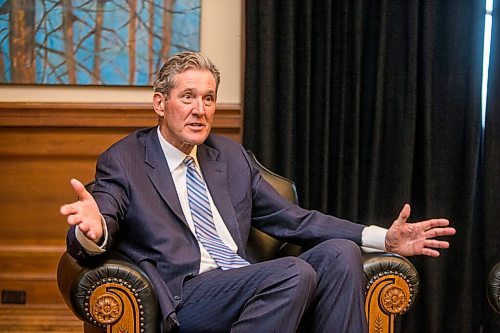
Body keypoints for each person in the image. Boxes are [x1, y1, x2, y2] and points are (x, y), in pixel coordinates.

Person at [60, 51, 456, 333]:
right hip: (186, 295)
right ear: (160, 103)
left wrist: (382, 238)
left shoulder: (229, 157)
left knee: (341, 252)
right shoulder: (125, 159)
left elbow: (295, 221)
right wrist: (91, 230)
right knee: (293, 273)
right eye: (188, 97)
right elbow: (102, 216)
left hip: (248, 282)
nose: (200, 110)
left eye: (209, 98)